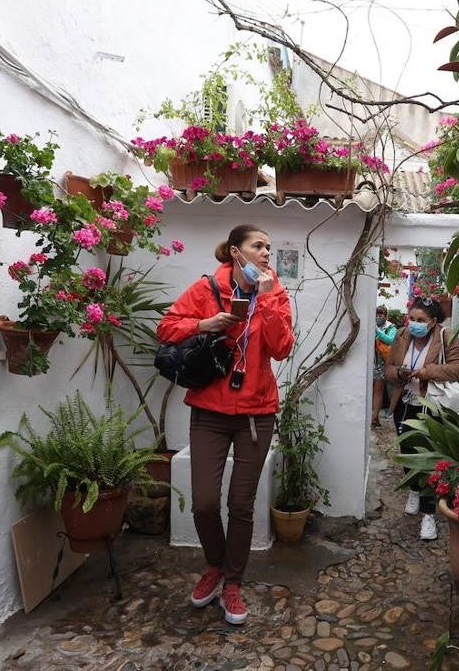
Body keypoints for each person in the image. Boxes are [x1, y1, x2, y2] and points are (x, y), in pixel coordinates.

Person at [157, 223, 294, 625]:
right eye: (258, 246)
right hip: (209, 413)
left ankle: (232, 583)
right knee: (202, 502)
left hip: (256, 414)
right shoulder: (207, 289)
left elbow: (282, 348)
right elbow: (166, 328)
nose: (267, 252)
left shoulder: (275, 292)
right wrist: (204, 324)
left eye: (269, 246)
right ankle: (214, 565)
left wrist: (266, 300)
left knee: (241, 505)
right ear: (236, 252)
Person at [387, 297, 459, 540]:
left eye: (420, 320)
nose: (414, 324)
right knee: (408, 450)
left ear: (432, 322)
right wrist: (399, 373)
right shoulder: (401, 335)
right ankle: (413, 488)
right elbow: (388, 367)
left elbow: (458, 367)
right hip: (404, 403)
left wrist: (426, 372)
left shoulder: (445, 337)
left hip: (430, 405)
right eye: (411, 318)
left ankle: (429, 514)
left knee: (430, 458)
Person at [371, 305, 396, 427]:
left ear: (386, 316)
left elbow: (391, 340)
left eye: (380, 315)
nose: (378, 317)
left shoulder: (391, 327)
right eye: (376, 315)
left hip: (381, 363)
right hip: (370, 361)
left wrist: (377, 331)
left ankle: (375, 417)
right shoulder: (369, 325)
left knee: (378, 390)